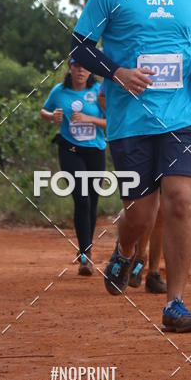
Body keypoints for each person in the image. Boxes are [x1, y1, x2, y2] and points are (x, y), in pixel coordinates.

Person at [71, 0, 191, 333]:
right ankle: (123, 249)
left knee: (180, 202)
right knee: (141, 214)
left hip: (183, 113)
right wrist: (117, 72)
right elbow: (80, 48)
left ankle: (175, 303)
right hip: (131, 119)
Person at [129, 117, 191, 293]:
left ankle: (153, 273)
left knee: (162, 214)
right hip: (148, 142)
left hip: (177, 150)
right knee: (146, 211)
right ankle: (138, 256)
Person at [41, 59, 106, 275]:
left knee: (92, 202)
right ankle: (85, 257)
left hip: (95, 150)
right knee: (82, 199)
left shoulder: (99, 91)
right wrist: (52, 116)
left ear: (91, 70)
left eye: (85, 66)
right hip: (70, 149)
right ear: (70, 68)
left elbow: (112, 122)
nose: (81, 70)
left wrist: (89, 119)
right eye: (77, 66)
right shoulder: (59, 91)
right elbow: (44, 111)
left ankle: (86, 249)